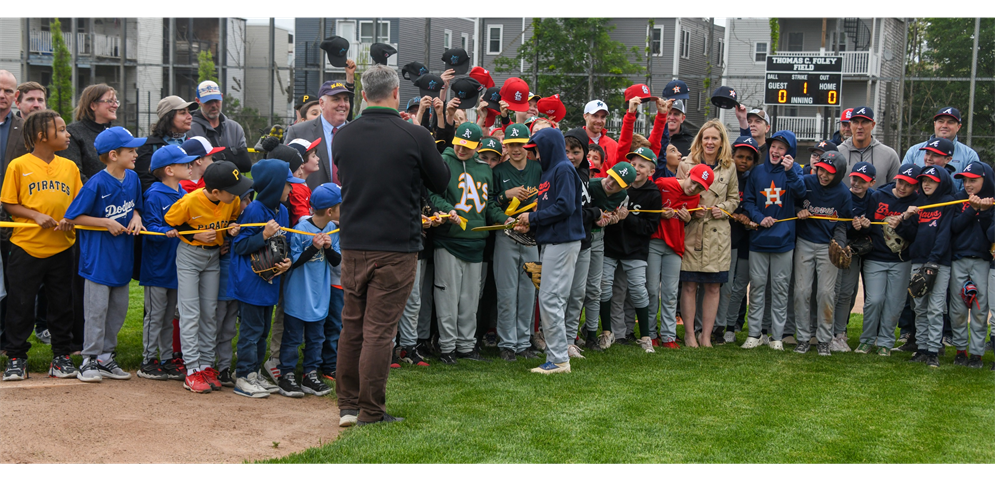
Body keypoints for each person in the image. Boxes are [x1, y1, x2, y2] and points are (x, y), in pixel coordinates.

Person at [332, 64, 450, 427]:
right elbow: (441, 181)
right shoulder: (414, 135)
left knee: (353, 326)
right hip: (396, 246)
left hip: (353, 244)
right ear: (396, 92)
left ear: (363, 95)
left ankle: (348, 406)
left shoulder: (343, 136)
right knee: (380, 332)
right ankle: (369, 410)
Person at [0, 110, 81, 381]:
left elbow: (78, 203)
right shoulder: (19, 165)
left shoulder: (69, 167)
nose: (67, 134)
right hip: (26, 247)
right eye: (60, 129)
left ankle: (61, 356)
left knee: (62, 305)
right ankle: (15, 357)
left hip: (62, 247)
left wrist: (70, 218)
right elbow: (9, 203)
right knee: (21, 305)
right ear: (41, 136)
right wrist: (35, 215)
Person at [64, 127, 146, 382]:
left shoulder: (133, 179)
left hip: (122, 258)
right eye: (130, 150)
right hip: (98, 260)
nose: (136, 154)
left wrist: (136, 218)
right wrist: (105, 222)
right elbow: (73, 217)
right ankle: (88, 358)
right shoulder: (96, 183)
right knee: (96, 312)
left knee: (117, 312)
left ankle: (105, 357)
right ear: (113, 155)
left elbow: (136, 208)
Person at [164, 160, 249, 393]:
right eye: (233, 190)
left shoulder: (232, 201)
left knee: (210, 313)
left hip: (213, 258)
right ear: (215, 192)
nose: (238, 194)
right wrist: (195, 237)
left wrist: (231, 227)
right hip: (190, 257)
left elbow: (231, 218)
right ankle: (191, 370)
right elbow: (170, 223)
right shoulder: (190, 201)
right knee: (190, 313)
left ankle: (205, 365)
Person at [428, 121, 508, 364]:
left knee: (471, 299)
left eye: (468, 147)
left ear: (478, 146)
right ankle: (446, 347)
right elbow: (432, 194)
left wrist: (506, 220)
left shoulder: (485, 169)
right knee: (447, 297)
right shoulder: (444, 162)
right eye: (459, 144)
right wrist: (448, 210)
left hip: (477, 242)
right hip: (449, 240)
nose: (462, 150)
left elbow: (489, 204)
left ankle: (466, 346)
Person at [512, 127, 584, 374]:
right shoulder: (550, 172)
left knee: (550, 299)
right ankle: (558, 357)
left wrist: (532, 217)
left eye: (538, 151)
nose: (536, 156)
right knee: (551, 299)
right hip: (554, 241)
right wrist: (531, 223)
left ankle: (559, 360)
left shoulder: (562, 169)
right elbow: (551, 211)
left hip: (563, 242)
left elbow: (565, 206)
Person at [229, 159, 297, 399]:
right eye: (287, 184)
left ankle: (254, 373)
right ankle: (243, 375)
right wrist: (263, 235)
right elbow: (239, 246)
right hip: (251, 283)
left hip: (270, 281)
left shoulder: (283, 211)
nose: (291, 189)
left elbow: (284, 243)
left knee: (263, 330)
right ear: (273, 185)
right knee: (251, 330)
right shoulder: (255, 210)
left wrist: (287, 261)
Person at [675, 120, 739, 348]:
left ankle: (706, 336)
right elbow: (679, 197)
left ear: (722, 142)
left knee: (713, 287)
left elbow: (734, 198)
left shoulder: (729, 167)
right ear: (700, 140)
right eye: (706, 137)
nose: (710, 142)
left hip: (718, 235)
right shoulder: (686, 164)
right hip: (693, 232)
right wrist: (691, 212)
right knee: (690, 285)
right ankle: (690, 334)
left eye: (715, 138)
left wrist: (723, 209)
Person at [740, 130, 805, 350]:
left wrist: (790, 173)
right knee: (757, 287)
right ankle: (755, 333)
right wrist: (759, 218)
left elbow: (801, 194)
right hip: (759, 239)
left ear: (790, 152)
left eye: (782, 148)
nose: (775, 151)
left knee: (780, 289)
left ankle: (777, 336)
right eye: (773, 146)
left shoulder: (794, 171)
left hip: (784, 241)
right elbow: (748, 202)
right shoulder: (757, 172)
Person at [137, 145, 195, 381]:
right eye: (185, 164)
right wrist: (165, 230)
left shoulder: (182, 192)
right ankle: (148, 360)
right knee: (155, 315)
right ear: (169, 170)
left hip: (177, 266)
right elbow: (149, 226)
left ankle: (168, 358)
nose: (190, 167)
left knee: (171, 315)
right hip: (157, 267)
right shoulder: (154, 194)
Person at [279, 183, 341, 398]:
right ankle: (286, 374)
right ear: (331, 210)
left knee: (317, 338)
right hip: (298, 293)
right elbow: (293, 261)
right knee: (293, 337)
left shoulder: (334, 229)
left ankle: (310, 374)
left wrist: (328, 247)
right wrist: (313, 247)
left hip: (320, 294)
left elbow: (336, 261)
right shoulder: (301, 228)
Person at [598, 154, 662, 353]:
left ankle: (645, 337)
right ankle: (608, 332)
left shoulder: (653, 194)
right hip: (611, 246)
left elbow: (650, 227)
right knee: (606, 288)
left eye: (642, 166)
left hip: (635, 249)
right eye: (633, 164)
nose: (636, 169)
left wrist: (627, 218)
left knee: (638, 290)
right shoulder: (617, 187)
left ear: (651, 172)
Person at [790, 151, 851, 356]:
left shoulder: (843, 193)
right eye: (821, 170)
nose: (823, 175)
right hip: (805, 242)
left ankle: (824, 339)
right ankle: (803, 338)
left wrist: (840, 245)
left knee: (825, 293)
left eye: (830, 173)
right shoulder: (806, 181)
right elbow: (792, 200)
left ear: (839, 173)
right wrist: (798, 210)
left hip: (828, 246)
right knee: (801, 292)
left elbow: (842, 225)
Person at [856, 164, 920, 355]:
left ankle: (885, 341)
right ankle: (867, 339)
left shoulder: (916, 203)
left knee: (895, 302)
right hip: (876, 257)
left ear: (915, 187)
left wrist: (903, 221)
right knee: (874, 300)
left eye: (908, 185)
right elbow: (868, 227)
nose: (902, 187)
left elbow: (914, 234)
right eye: (900, 181)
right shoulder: (878, 196)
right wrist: (864, 225)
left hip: (901, 260)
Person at [490, 124, 541, 361]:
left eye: (520, 144)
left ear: (528, 145)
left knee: (529, 290)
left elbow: (547, 199)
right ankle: (507, 343)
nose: (516, 149)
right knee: (507, 291)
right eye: (511, 145)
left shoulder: (538, 169)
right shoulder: (499, 171)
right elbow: (489, 204)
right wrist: (505, 202)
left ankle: (524, 342)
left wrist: (534, 219)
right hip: (507, 235)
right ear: (506, 146)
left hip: (531, 237)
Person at [904, 166, 955, 366]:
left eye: (932, 181)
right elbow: (910, 234)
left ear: (941, 182)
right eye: (924, 180)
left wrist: (933, 260)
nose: (926, 184)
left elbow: (944, 235)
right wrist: (907, 218)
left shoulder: (948, 202)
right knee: (919, 307)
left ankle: (934, 349)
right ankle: (922, 348)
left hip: (939, 262)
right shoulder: (919, 203)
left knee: (935, 307)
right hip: (918, 260)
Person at [946, 162, 995, 368]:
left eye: (973, 180)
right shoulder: (958, 199)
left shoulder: (992, 201)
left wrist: (983, 211)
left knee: (980, 308)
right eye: (965, 180)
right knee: (957, 309)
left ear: (985, 180)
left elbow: (989, 234)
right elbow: (954, 227)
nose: (968, 184)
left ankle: (976, 353)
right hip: (959, 259)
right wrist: (971, 209)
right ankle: (960, 350)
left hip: (983, 260)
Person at [716, 136, 760, 343]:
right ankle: (719, 324)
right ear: (731, 156)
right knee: (723, 285)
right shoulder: (724, 175)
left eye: (749, 158)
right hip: (725, 237)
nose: (743, 161)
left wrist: (748, 217)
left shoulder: (754, 179)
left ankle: (729, 326)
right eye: (739, 156)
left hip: (746, 239)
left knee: (738, 285)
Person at [831, 162, 878, 352]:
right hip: (843, 249)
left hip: (864, 252)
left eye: (863, 180)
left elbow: (877, 222)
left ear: (872, 183)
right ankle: (834, 333)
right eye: (854, 178)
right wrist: (853, 226)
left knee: (858, 294)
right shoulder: (844, 194)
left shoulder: (875, 197)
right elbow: (837, 224)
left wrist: (868, 226)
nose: (857, 183)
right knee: (839, 292)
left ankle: (845, 332)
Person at [284, 80, 354, 189]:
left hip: (350, 203)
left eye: (346, 99)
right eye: (336, 99)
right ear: (322, 103)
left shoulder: (357, 133)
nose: (342, 104)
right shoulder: (298, 132)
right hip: (310, 203)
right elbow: (286, 173)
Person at [902, 107, 980, 190]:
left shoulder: (969, 155)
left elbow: (970, 189)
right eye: (941, 121)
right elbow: (902, 182)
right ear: (935, 124)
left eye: (950, 122)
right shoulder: (914, 151)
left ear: (958, 127)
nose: (944, 125)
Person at [135, 96, 197, 193]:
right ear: (168, 117)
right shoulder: (150, 146)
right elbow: (145, 182)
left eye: (189, 112)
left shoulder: (192, 142)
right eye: (183, 113)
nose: (189, 116)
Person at [188, 80, 250, 174]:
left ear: (221, 97)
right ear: (198, 101)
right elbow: (190, 167)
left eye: (216, 100)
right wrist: (231, 154)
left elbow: (245, 164)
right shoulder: (189, 129)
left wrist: (214, 157)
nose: (213, 105)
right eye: (208, 102)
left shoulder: (235, 128)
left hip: (232, 186)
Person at [64, 84, 118, 184]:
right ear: (93, 105)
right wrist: (99, 192)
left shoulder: (115, 134)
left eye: (116, 102)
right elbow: (74, 173)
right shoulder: (73, 133)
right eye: (110, 101)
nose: (115, 105)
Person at [838, 106, 900, 183]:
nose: (859, 127)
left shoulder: (889, 155)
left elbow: (894, 189)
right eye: (856, 122)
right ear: (850, 125)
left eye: (864, 122)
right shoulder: (838, 153)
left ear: (873, 125)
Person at [583, 100, 618, 172]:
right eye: (595, 116)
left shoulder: (614, 145)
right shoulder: (576, 141)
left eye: (603, 117)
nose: (599, 121)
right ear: (585, 116)